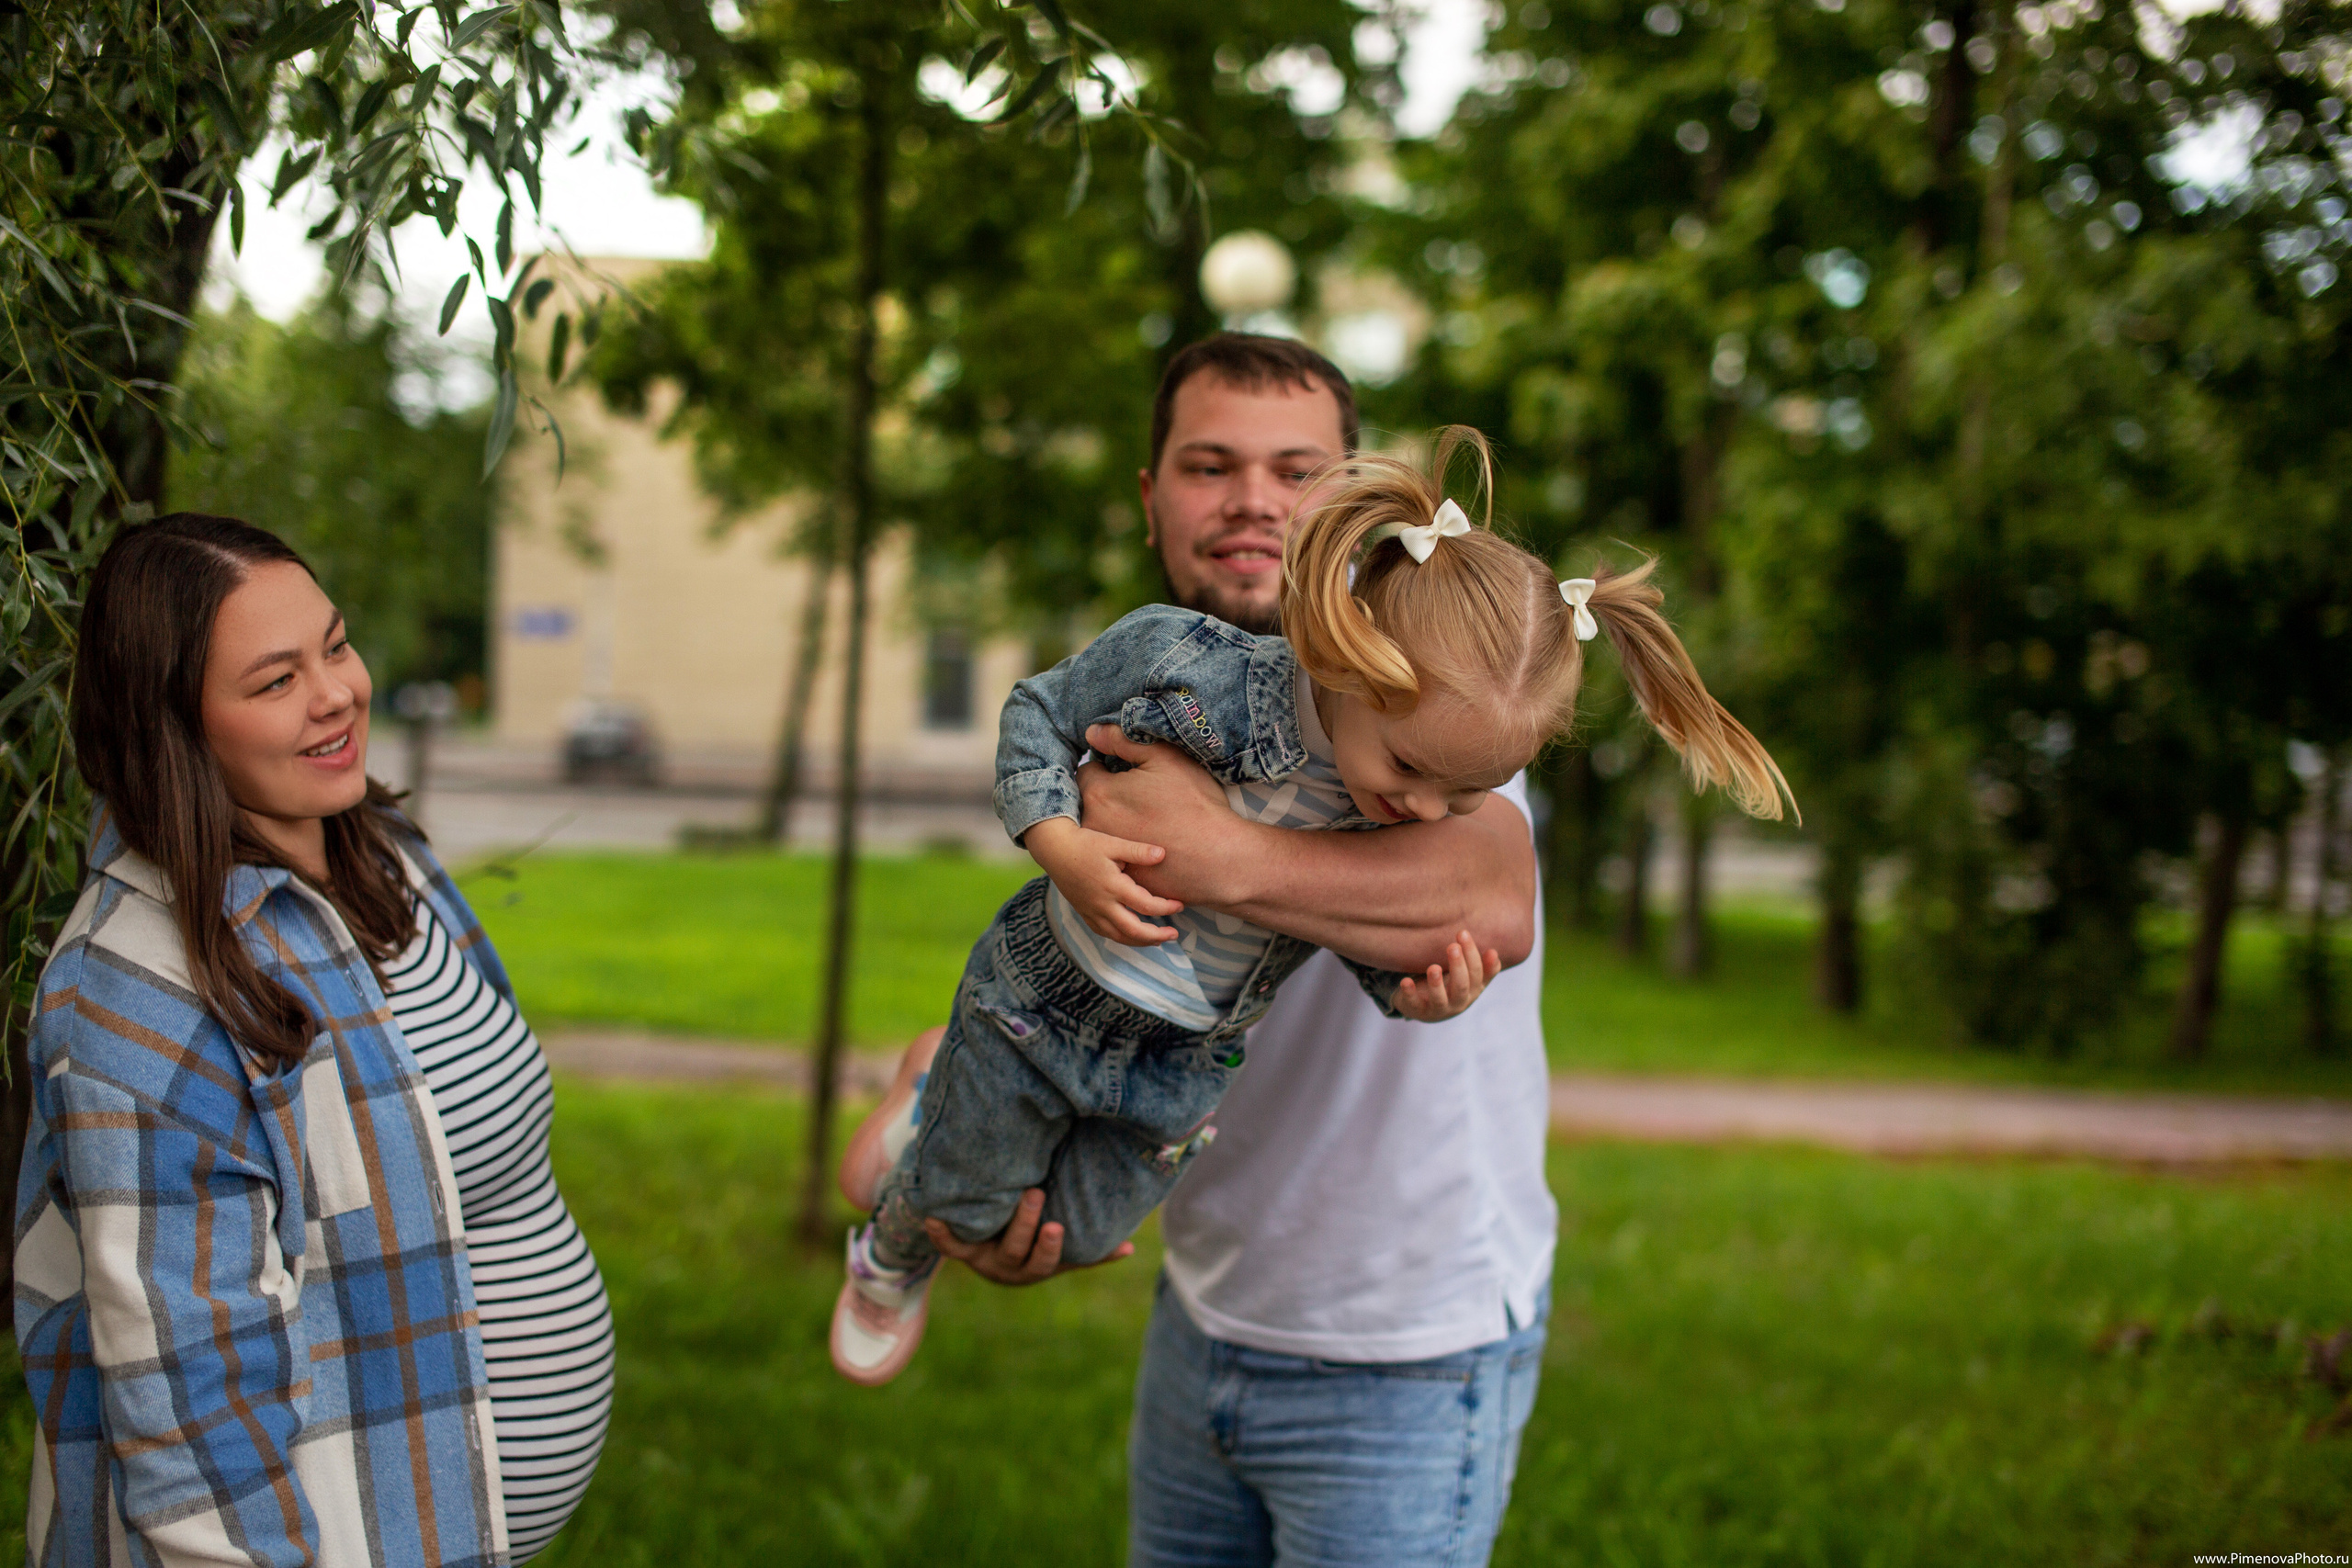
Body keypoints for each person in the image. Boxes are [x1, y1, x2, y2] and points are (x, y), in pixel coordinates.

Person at [831, 409, 1790, 1403]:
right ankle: (894, 1246)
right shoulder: (1189, 665)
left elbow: (1414, 922)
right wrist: (1059, 842)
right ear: (1350, 651)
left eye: (1463, 797)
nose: (1426, 810)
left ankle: (934, 1094)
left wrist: (1418, 990)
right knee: (961, 1201)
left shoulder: (1424, 758)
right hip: (1046, 998)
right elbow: (1035, 709)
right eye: (1211, 462)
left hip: (1182, 1061)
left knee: (1082, 1230)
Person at [15, 514, 614, 1565]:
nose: (337, 692)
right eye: (275, 679)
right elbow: (195, 1427)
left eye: (335, 645)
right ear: (177, 729)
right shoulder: (135, 997)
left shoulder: (391, 860)